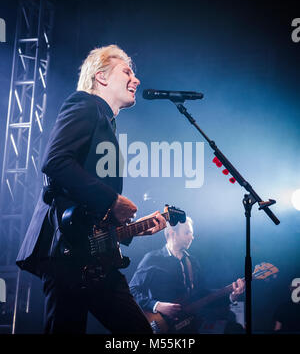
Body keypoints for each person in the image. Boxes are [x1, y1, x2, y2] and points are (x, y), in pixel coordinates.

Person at [16, 45, 166, 334]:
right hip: (69, 255)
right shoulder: (84, 104)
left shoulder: (105, 122)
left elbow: (87, 201)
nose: (136, 80)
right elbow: (56, 162)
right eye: (127, 72)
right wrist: (113, 199)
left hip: (93, 258)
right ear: (101, 77)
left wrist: (131, 226)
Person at [129, 217, 245, 334]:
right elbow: (132, 290)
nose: (192, 237)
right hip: (161, 325)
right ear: (172, 233)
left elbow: (201, 294)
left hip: (189, 323)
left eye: (191, 233)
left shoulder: (192, 262)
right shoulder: (152, 259)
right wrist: (157, 305)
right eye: (187, 233)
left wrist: (231, 295)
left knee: (235, 329)